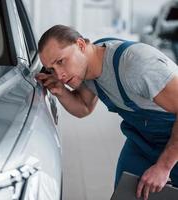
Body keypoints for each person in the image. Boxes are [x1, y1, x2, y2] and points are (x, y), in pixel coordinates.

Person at [36, 24, 178, 200]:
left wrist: (163, 167)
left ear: (80, 45)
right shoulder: (89, 65)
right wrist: (61, 91)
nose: (59, 75)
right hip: (141, 140)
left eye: (61, 61)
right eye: (52, 69)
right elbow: (84, 107)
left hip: (174, 140)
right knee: (126, 195)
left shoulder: (136, 65)